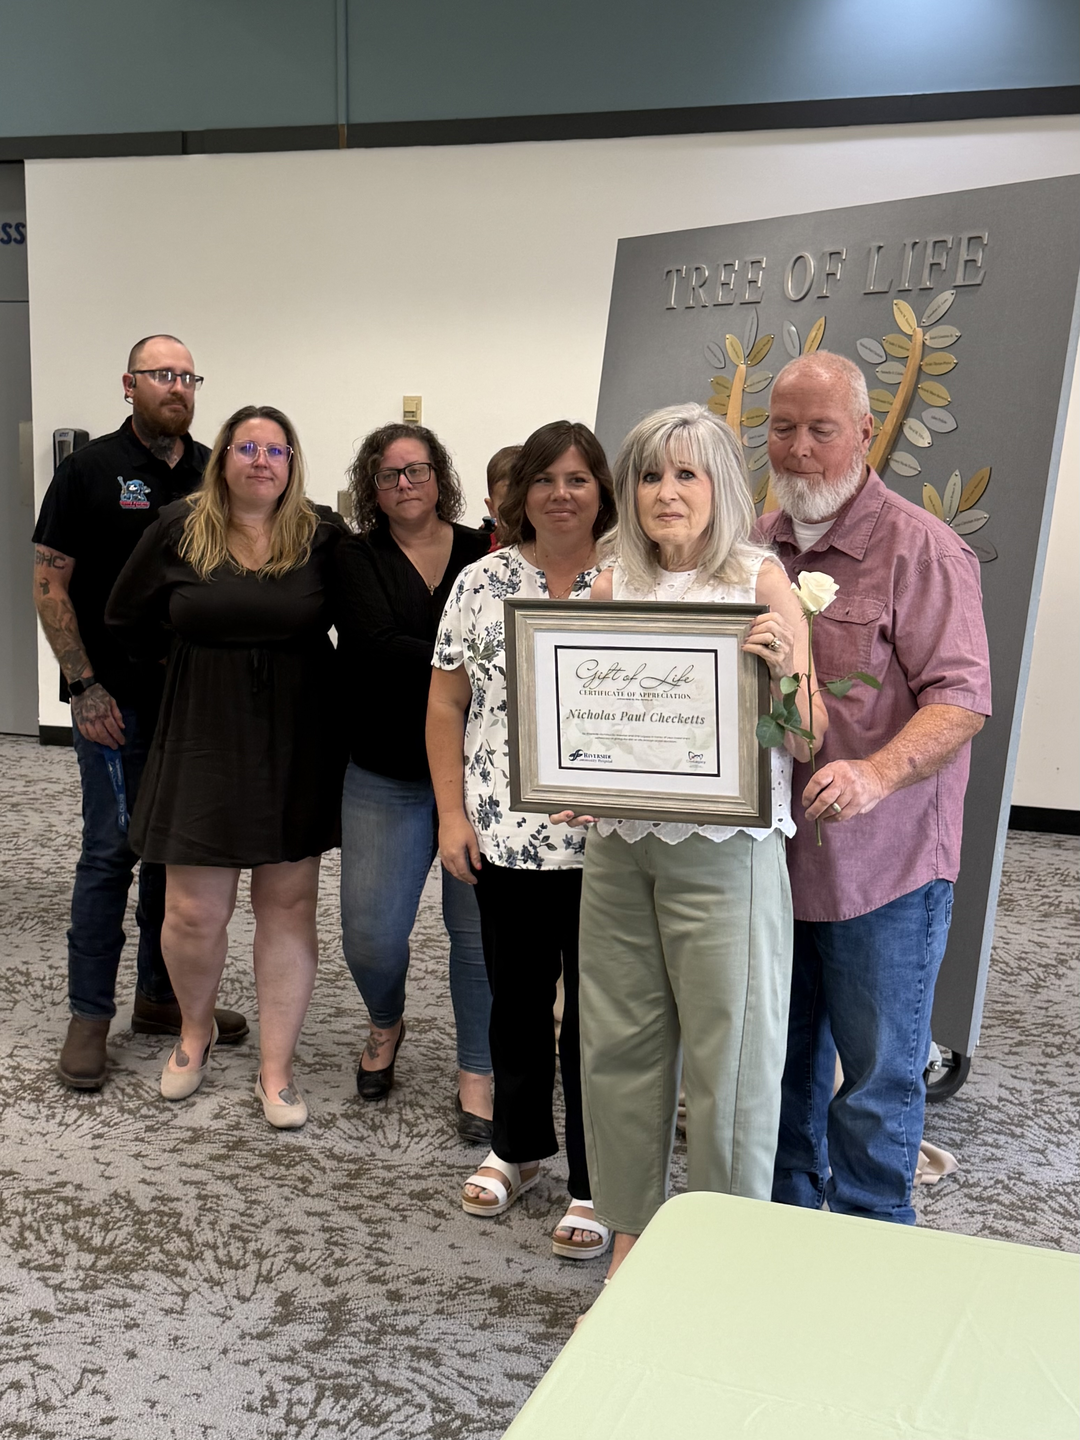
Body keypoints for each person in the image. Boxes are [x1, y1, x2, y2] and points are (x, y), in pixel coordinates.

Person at [557, 402, 826, 1283]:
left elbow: (810, 733)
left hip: (726, 854)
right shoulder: (606, 581)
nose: (666, 493)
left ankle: (724, 1264)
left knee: (734, 1059)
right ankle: (630, 1239)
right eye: (648, 475)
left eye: (687, 474)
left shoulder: (760, 578)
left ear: (721, 488)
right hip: (620, 848)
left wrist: (787, 667)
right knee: (618, 1045)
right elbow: (582, 716)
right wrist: (568, 776)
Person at [759, 351, 991, 1224]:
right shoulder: (753, 545)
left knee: (876, 1081)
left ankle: (868, 1246)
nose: (802, 449)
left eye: (822, 429)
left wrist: (876, 770)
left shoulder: (923, 549)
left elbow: (963, 699)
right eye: (784, 428)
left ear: (863, 434)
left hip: (882, 871)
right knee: (779, 1067)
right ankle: (780, 1226)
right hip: (771, 864)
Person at [106, 405, 346, 1128]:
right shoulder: (180, 527)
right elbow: (123, 616)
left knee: (287, 904)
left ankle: (276, 1069)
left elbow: (365, 619)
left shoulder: (323, 533)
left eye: (276, 450)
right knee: (191, 912)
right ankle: (194, 1032)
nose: (261, 461)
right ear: (224, 460)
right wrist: (174, 680)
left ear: (293, 463)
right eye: (247, 447)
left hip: (294, 740)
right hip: (201, 735)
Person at [31, 334, 248, 1090]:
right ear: (129, 384)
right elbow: (50, 584)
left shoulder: (209, 472)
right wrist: (82, 686)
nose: (177, 387)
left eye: (187, 375)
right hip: (111, 705)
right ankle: (90, 1015)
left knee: (175, 854)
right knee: (110, 855)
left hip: (190, 707)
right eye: (162, 374)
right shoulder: (88, 470)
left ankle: (161, 999)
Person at [428, 420, 616, 1258]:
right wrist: (450, 814)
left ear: (602, 489)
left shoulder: (634, 579)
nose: (561, 495)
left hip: (615, 845)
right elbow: (444, 707)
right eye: (545, 480)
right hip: (505, 835)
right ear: (521, 492)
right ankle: (519, 1148)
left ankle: (596, 1178)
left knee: (599, 1021)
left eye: (578, 479)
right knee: (514, 1000)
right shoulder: (481, 581)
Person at [334, 423, 494, 1136]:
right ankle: (385, 1020)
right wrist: (465, 658)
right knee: (371, 934)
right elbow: (370, 650)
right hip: (387, 771)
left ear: (440, 478)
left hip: (479, 774)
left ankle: (477, 1070)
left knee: (478, 935)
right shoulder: (353, 556)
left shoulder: (483, 548)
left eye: (418, 470)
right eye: (390, 473)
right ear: (373, 487)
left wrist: (436, 658)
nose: (405, 483)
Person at [480, 444, 520, 549]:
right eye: (509, 507)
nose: (519, 515)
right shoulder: (480, 551)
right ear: (491, 508)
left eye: (525, 504)